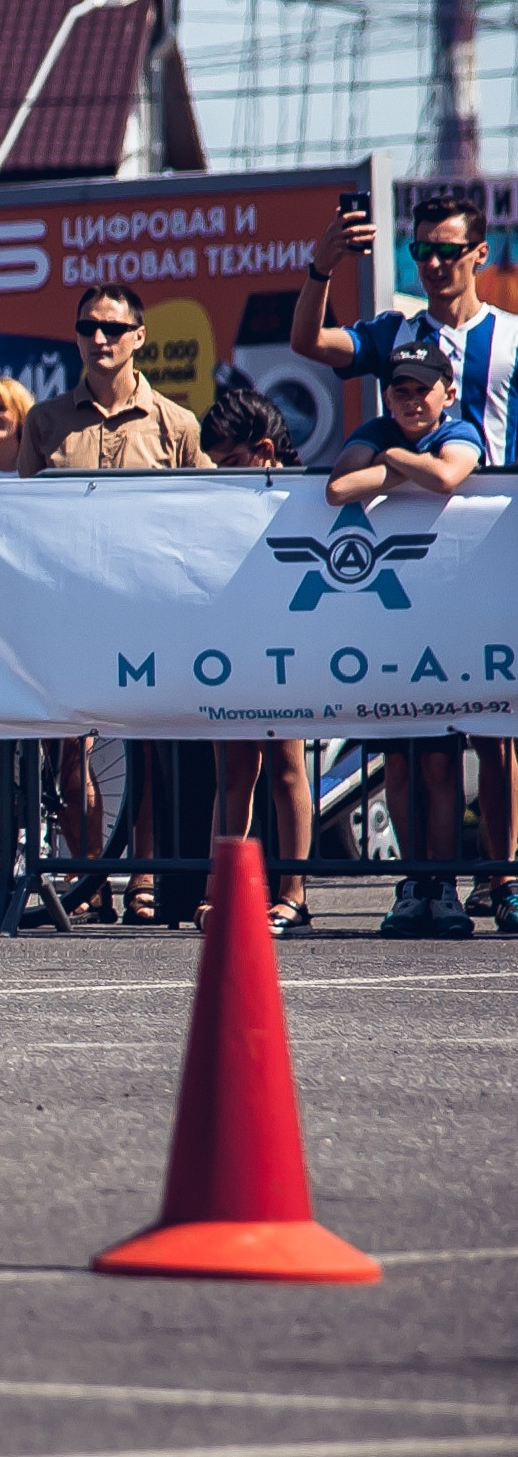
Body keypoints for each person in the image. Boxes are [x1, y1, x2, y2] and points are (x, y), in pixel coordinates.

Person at [296, 192, 516, 935]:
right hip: (403, 556)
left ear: (479, 254)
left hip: (489, 548)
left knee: (496, 730)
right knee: (407, 732)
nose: (432, 262)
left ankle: (504, 878)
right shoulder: (398, 331)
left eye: (447, 250)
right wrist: (321, 265)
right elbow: (310, 344)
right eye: (421, 249)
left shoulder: (511, 339)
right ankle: (424, 884)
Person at [19, 281, 206, 925]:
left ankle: (146, 880)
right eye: (87, 327)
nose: (98, 338)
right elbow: (23, 519)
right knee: (72, 749)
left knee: (148, 749)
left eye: (112, 328)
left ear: (139, 338)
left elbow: (208, 517)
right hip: (68, 611)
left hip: (150, 614)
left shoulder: (177, 424)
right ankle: (86, 877)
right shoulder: (43, 421)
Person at [326, 337, 484, 940]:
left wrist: (389, 464)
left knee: (442, 766)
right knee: (397, 764)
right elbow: (338, 488)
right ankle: (412, 884)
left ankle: (442, 884)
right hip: (391, 629)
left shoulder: (460, 429)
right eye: (400, 390)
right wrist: (397, 460)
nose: (412, 400)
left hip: (444, 620)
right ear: (386, 395)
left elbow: (447, 475)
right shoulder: (376, 427)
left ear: (445, 391)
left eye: (423, 389)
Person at [199, 387, 315, 935]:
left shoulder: (304, 493)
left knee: (287, 766)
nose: (219, 472)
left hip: (287, 640)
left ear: (266, 450)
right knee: (235, 771)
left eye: (230, 461)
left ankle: (293, 894)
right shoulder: (222, 498)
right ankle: (221, 893)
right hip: (232, 639)